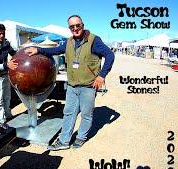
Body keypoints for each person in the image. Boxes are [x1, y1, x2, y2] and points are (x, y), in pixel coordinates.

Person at [25, 15, 115, 150]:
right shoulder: (69, 42)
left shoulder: (94, 40)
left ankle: (81, 137)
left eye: (77, 25)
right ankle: (64, 141)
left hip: (88, 86)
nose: (75, 29)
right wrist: (38, 49)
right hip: (72, 86)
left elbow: (110, 55)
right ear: (69, 28)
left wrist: (101, 76)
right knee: (68, 112)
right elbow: (55, 50)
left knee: (86, 113)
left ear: (82, 25)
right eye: (72, 27)